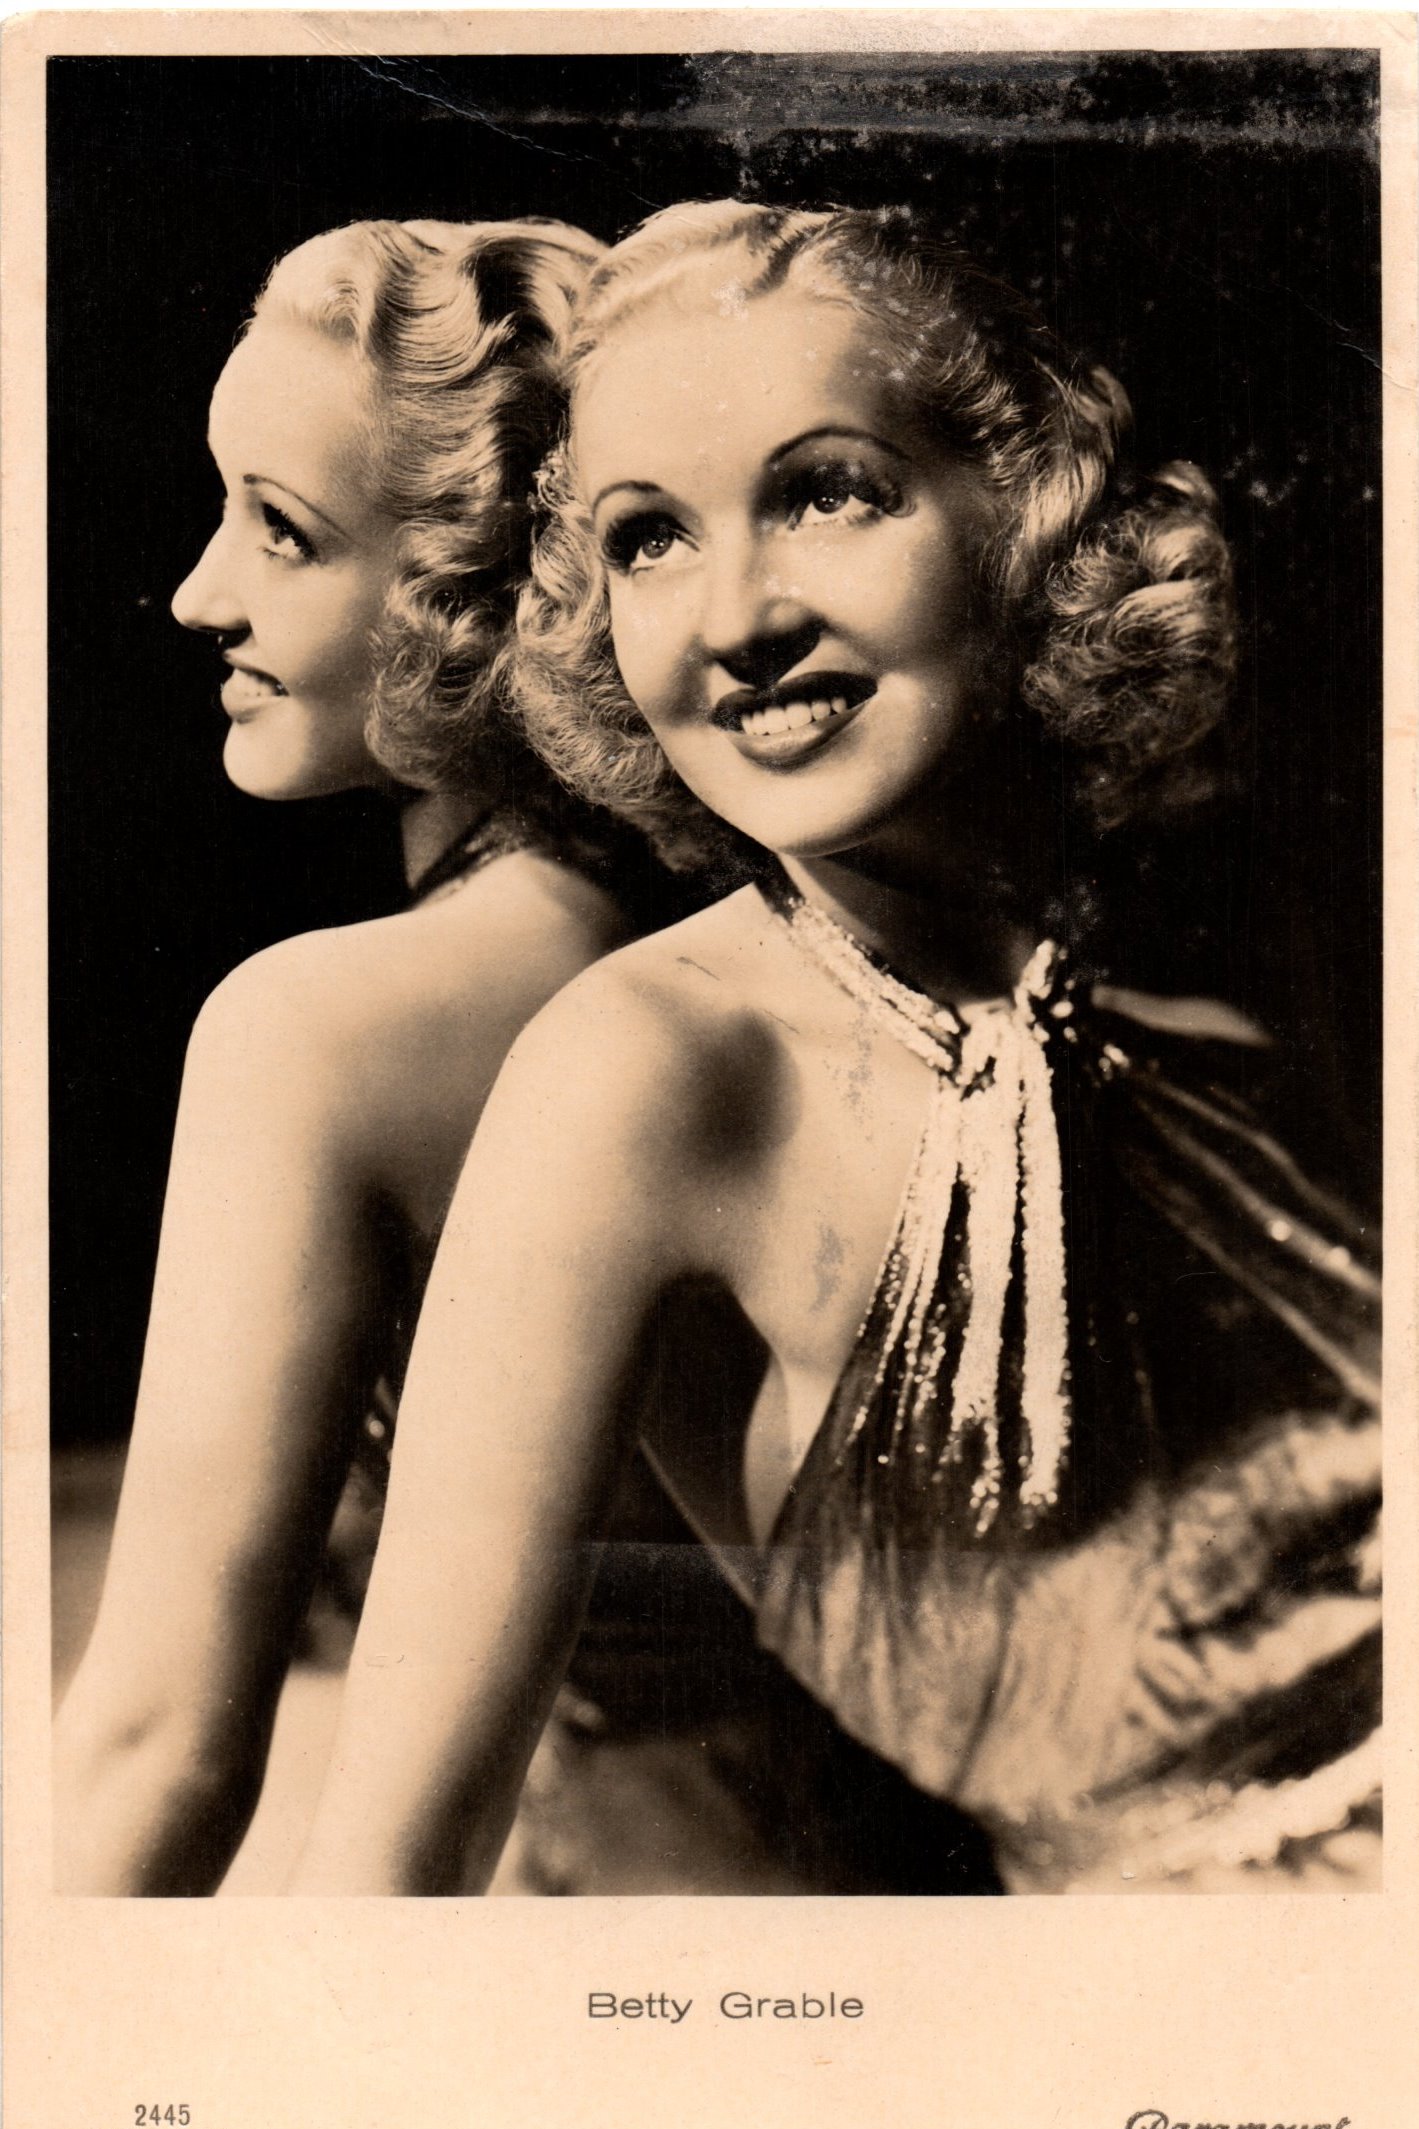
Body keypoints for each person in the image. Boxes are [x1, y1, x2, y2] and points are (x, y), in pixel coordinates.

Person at [290, 202, 1380, 1898]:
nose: (736, 616)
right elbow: (377, 1878)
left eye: (824, 493)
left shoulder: (1219, 937)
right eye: (648, 538)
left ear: (1024, 511)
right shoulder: (643, 1075)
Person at [53, 215, 677, 1896]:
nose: (200, 595)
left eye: (283, 531)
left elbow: (159, 1753)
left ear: (478, 586)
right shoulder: (727, 954)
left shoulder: (324, 1033)